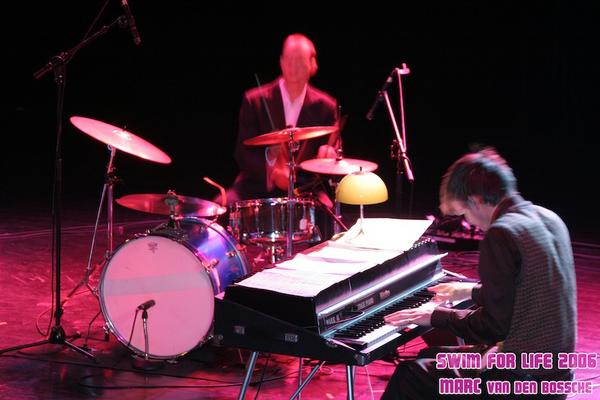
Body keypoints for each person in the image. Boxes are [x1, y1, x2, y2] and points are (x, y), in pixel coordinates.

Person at [382, 148, 577, 399]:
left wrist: (434, 316)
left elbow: (493, 327)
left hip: (519, 381)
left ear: (475, 201)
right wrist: (470, 291)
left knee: (411, 374)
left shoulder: (502, 232)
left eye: (464, 213)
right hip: (555, 372)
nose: (470, 223)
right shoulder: (548, 218)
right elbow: (529, 296)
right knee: (430, 356)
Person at [219, 33, 339, 240]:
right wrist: (272, 172)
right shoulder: (255, 100)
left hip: (305, 187)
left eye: (300, 61)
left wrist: (328, 154)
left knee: (327, 212)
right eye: (289, 60)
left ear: (313, 65)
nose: (293, 66)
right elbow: (242, 152)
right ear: (281, 62)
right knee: (223, 206)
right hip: (258, 182)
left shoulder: (325, 106)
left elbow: (333, 147)